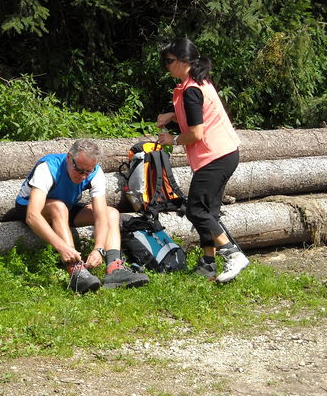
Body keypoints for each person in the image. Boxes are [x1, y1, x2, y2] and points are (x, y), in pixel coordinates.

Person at [156, 38, 249, 283]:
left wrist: (172, 140)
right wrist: (172, 115)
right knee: (209, 211)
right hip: (225, 153)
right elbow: (198, 115)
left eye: (169, 61)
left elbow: (196, 133)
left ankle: (233, 255)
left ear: (184, 60)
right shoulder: (199, 82)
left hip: (215, 156)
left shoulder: (191, 90)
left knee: (196, 209)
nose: (166, 67)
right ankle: (208, 263)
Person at [14, 138, 149, 293]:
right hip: (29, 208)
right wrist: (61, 247)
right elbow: (32, 215)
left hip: (65, 206)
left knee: (111, 213)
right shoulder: (48, 167)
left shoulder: (95, 171)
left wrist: (98, 249)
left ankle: (115, 270)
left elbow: (101, 215)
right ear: (69, 158)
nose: (83, 176)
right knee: (59, 207)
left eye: (88, 172)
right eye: (79, 170)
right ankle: (76, 271)